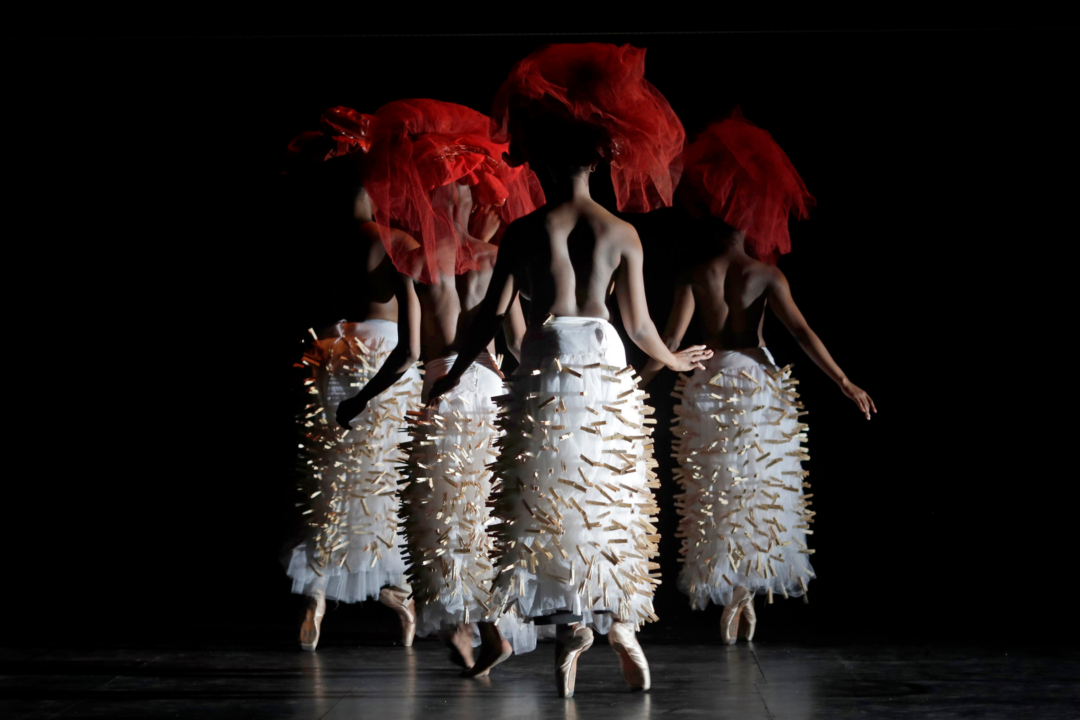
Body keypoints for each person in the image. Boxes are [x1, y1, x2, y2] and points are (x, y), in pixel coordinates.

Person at [427, 43, 712, 697]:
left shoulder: (525, 232)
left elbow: (492, 316)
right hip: (604, 357)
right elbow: (638, 325)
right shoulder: (622, 233)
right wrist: (671, 358)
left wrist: (453, 374)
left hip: (548, 355)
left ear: (552, 161)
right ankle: (619, 623)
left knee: (549, 493)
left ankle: (570, 631)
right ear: (601, 159)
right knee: (608, 491)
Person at [640, 108, 876, 644]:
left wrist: (639, 380)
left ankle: (730, 589)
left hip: (708, 380)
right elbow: (803, 332)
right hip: (758, 383)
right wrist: (844, 381)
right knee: (761, 486)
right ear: (751, 218)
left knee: (717, 490)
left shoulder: (694, 274)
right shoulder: (765, 273)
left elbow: (672, 343)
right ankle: (746, 591)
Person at [339, 98, 542, 673]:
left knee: (444, 513)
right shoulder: (494, 257)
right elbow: (520, 342)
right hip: (490, 388)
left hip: (443, 390)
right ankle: (497, 623)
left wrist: (360, 398)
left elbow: (406, 352)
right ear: (472, 200)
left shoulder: (414, 259)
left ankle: (462, 625)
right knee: (485, 511)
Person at [283, 106, 423, 652]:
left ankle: (316, 594)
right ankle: (398, 593)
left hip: (332, 351)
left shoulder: (327, 240)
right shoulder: (397, 243)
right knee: (382, 483)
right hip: (381, 356)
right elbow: (411, 347)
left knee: (333, 483)